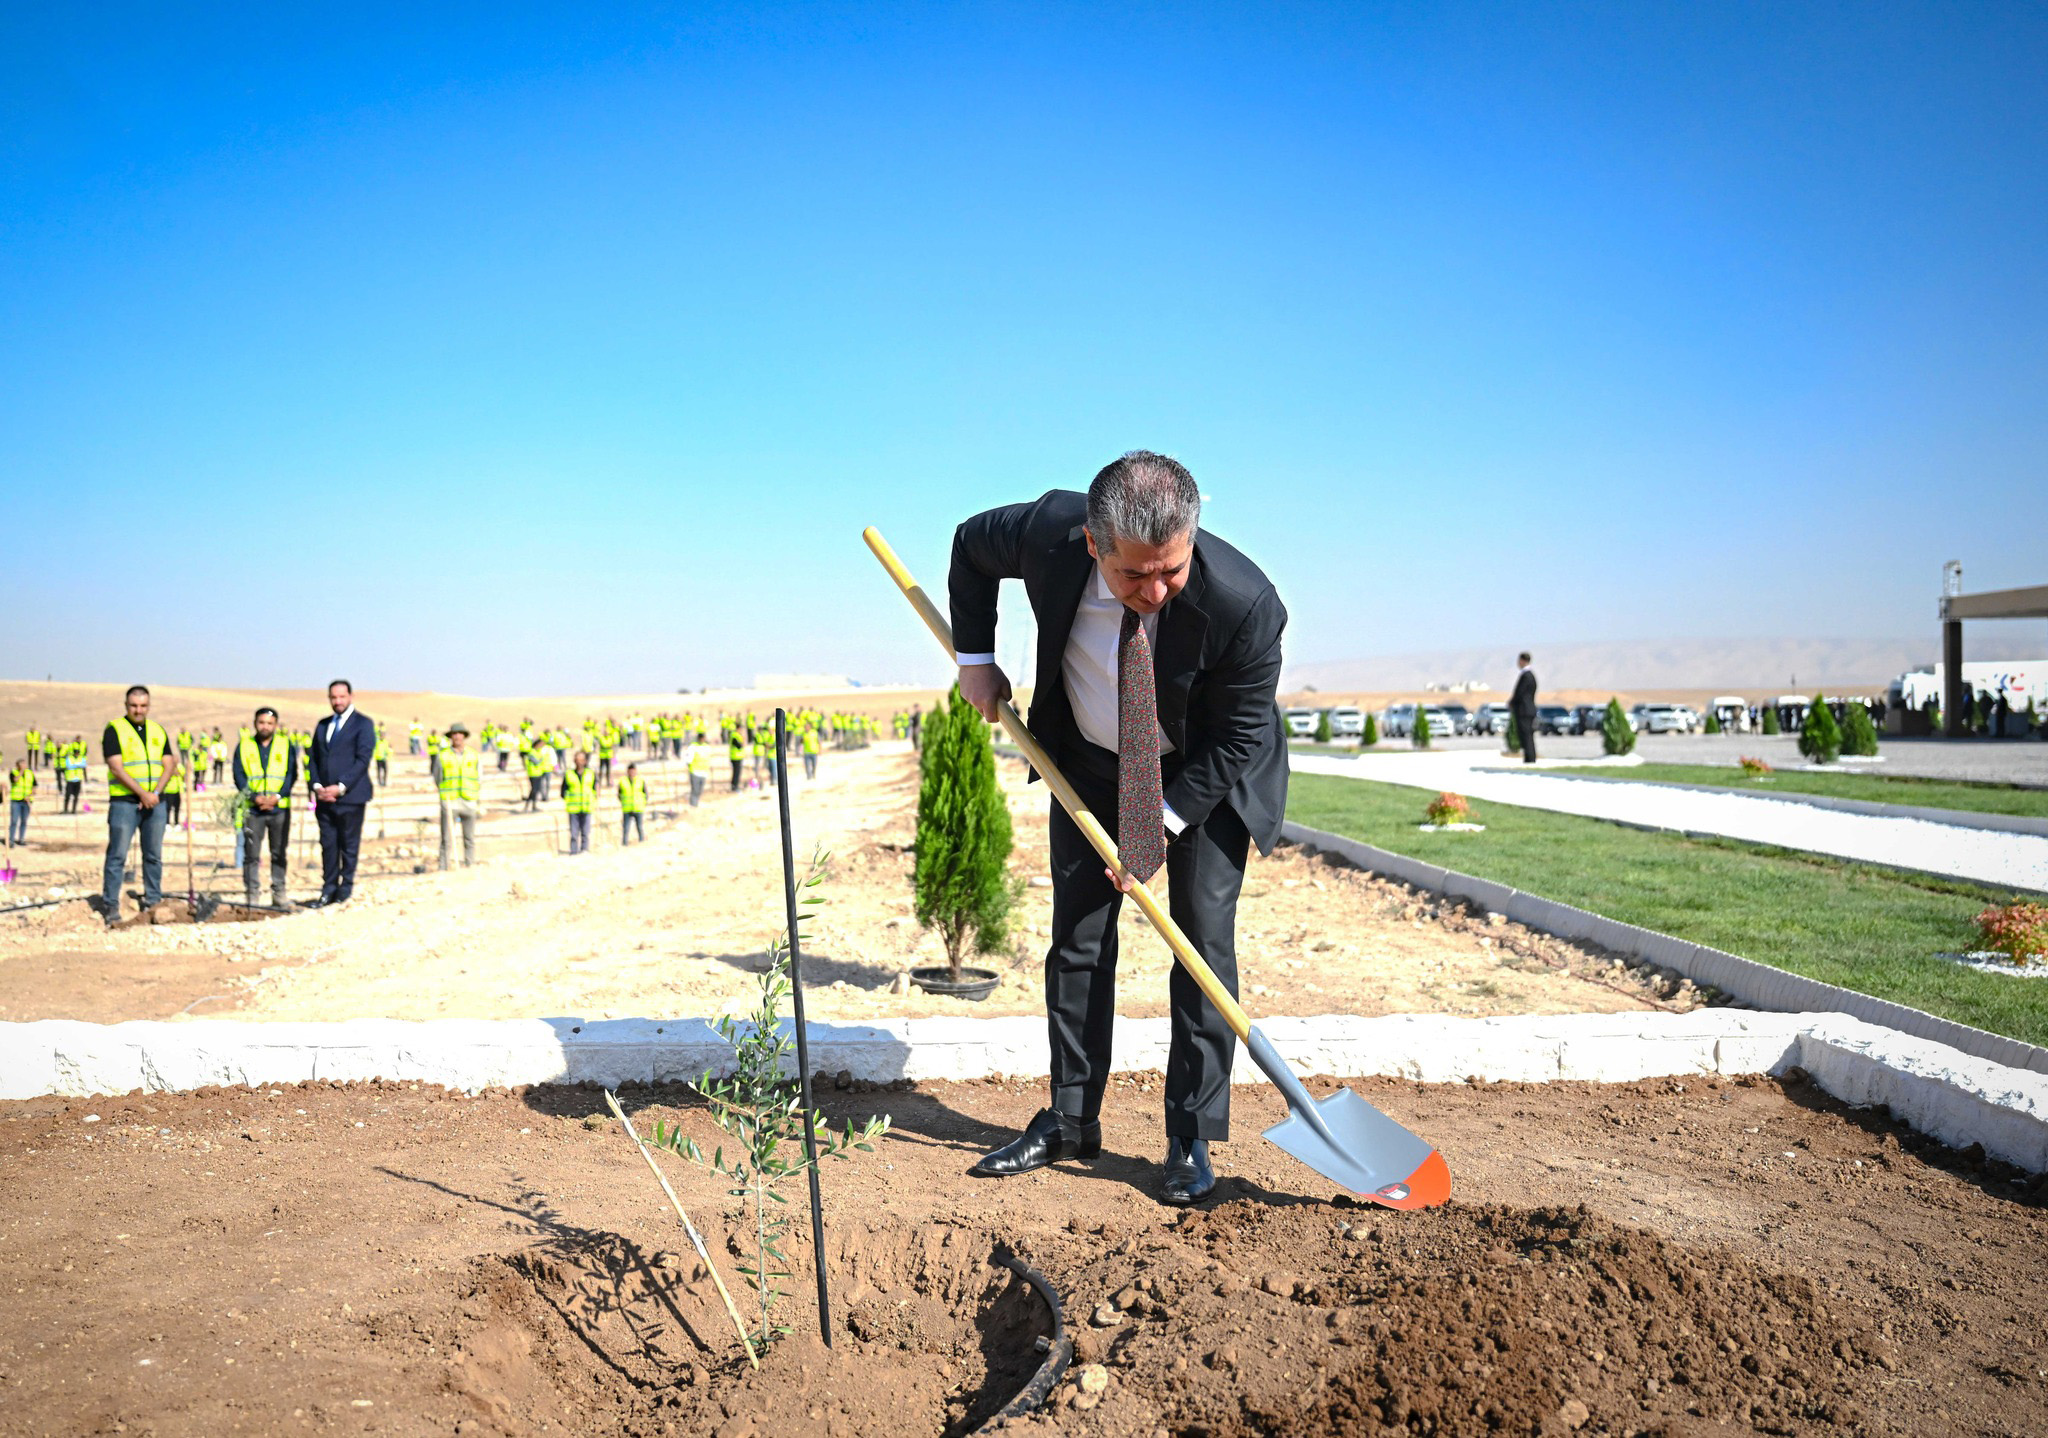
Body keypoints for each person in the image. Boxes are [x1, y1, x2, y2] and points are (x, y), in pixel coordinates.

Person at [949, 452, 1288, 1206]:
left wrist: (1156, 826)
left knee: (1200, 945)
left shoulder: (1246, 603)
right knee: (1077, 940)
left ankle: (1190, 1135)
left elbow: (1239, 738)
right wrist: (976, 658)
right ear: (1092, 542)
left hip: (1202, 774)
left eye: (1172, 570)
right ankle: (1071, 1120)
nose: (1155, 592)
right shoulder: (1045, 532)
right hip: (1089, 761)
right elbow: (969, 546)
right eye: (1134, 575)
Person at [101, 685, 181, 924]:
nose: (139, 710)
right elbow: (116, 767)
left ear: (149, 706)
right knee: (117, 855)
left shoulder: (157, 730)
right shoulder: (115, 729)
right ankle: (111, 904)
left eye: (143, 706)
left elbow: (169, 764)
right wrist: (142, 793)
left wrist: (154, 793)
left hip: (155, 803)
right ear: (126, 706)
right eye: (134, 706)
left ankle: (153, 900)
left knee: (153, 855)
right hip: (125, 802)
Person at [308, 679, 377, 906]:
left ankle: (345, 889)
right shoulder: (322, 725)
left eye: (342, 697)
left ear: (350, 697)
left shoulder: (363, 724)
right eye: (333, 697)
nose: (338, 701)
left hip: (351, 797)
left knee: (348, 845)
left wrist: (340, 787)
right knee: (328, 845)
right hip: (324, 799)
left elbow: (362, 760)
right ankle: (328, 889)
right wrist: (317, 786)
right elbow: (313, 759)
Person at [234, 706, 298, 907]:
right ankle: (252, 895)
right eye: (261, 722)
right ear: (255, 723)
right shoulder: (244, 746)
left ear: (276, 725)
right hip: (254, 810)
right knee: (251, 854)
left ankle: (279, 893)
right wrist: (254, 797)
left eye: (270, 723)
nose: (265, 727)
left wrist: (277, 797)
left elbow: (291, 774)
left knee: (278, 853)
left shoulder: (285, 745)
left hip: (279, 809)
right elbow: (239, 775)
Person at [432, 721, 481, 871]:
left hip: (468, 800)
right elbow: (437, 778)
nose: (457, 736)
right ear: (451, 737)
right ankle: (443, 867)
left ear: (464, 736)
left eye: (460, 733)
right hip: (450, 801)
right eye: (454, 734)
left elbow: (479, 777)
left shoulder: (473, 754)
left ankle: (470, 865)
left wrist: (475, 796)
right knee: (446, 838)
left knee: (469, 838)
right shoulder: (442, 755)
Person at [562, 749, 596, 855]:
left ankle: (584, 850)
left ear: (585, 761)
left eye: (581, 760)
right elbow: (563, 791)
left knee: (586, 832)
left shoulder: (591, 773)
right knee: (574, 832)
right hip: (573, 808)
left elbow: (595, 788)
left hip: (587, 806)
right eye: (577, 759)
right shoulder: (569, 774)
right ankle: (574, 851)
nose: (579, 762)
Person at [1510, 652, 1539, 764]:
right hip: (1528, 709)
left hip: (1524, 710)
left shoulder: (1526, 676)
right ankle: (1529, 758)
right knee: (1527, 735)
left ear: (1522, 661)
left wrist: (1512, 702)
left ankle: (1530, 759)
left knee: (1526, 735)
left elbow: (1520, 693)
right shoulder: (1530, 675)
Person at [618, 762, 648, 845]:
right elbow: (619, 794)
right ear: (627, 771)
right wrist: (624, 802)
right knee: (626, 828)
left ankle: (642, 842)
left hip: (638, 808)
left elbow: (645, 793)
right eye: (630, 771)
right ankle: (625, 843)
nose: (632, 773)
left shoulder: (640, 781)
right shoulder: (623, 781)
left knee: (640, 827)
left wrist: (642, 803)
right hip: (627, 808)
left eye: (633, 771)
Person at [7, 757, 33, 847]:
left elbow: (34, 786)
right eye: (22, 764)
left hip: (27, 801)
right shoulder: (13, 772)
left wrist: (29, 796)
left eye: (24, 764)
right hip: (16, 800)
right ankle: (11, 840)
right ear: (17, 765)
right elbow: (15, 780)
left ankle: (21, 839)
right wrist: (21, 772)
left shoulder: (30, 773)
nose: (24, 766)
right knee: (14, 821)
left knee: (24, 821)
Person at [58, 739, 87, 814]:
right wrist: (77, 765)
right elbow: (68, 766)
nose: (77, 754)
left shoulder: (81, 758)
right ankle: (65, 809)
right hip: (70, 779)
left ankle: (74, 810)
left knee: (76, 796)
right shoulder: (69, 758)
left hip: (78, 779)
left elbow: (84, 765)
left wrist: (75, 765)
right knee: (67, 795)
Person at [686, 738, 709, 806]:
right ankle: (693, 805)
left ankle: (695, 803)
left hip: (703, 772)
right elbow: (688, 760)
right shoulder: (693, 747)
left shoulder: (706, 747)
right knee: (695, 790)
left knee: (700, 790)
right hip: (695, 772)